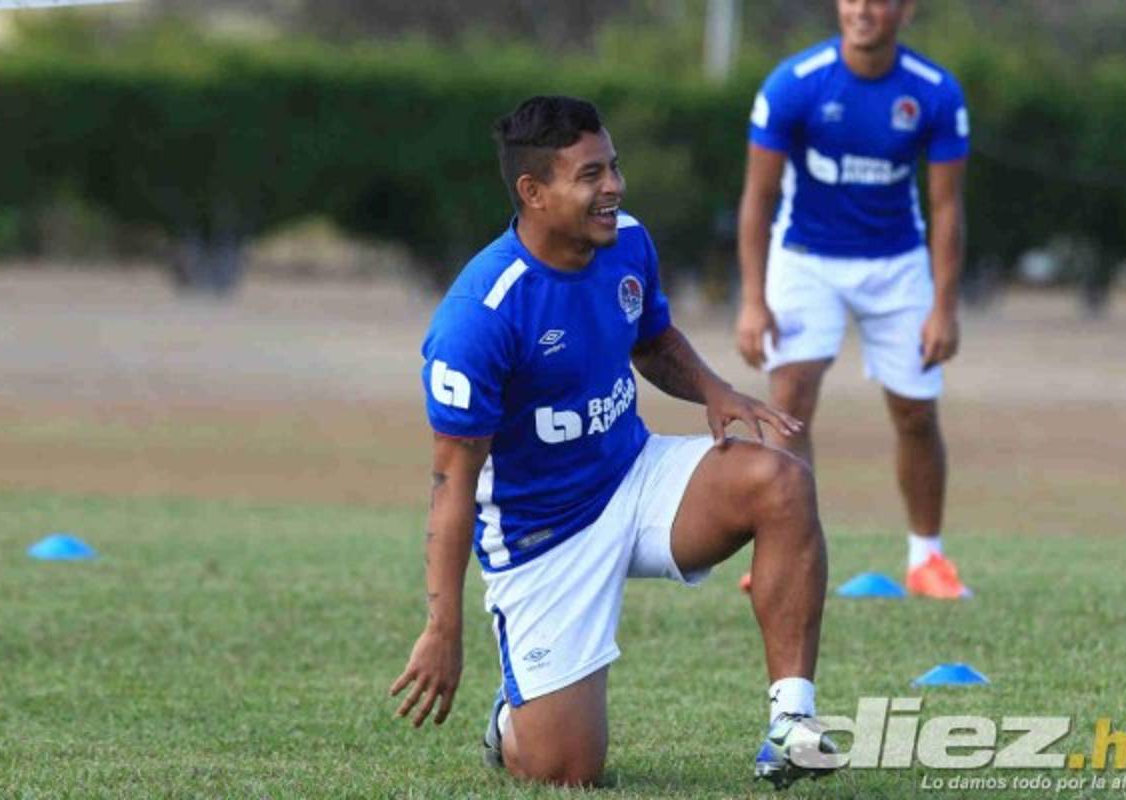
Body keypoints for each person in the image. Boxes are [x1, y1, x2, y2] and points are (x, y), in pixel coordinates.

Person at [391, 95, 839, 789]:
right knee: (566, 773)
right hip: (544, 538)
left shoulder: (626, 240)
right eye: (592, 175)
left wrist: (715, 390)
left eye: (614, 167)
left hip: (634, 474)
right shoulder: (478, 318)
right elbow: (453, 486)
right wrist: (441, 628)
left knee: (780, 481)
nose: (615, 188)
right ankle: (514, 720)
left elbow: (651, 337)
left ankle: (792, 722)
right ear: (533, 193)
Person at [735, 0, 972, 599]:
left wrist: (944, 304)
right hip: (805, 258)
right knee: (789, 400)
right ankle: (789, 552)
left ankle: (927, 560)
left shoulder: (935, 92)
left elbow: (946, 209)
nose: (863, 10)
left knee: (916, 412)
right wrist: (753, 300)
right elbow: (758, 199)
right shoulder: (793, 85)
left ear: (906, 10)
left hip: (897, 264)